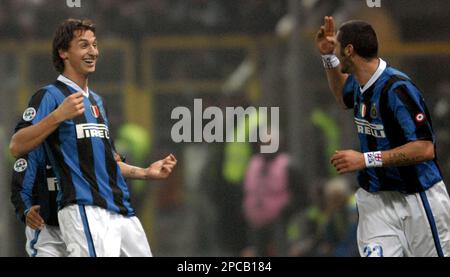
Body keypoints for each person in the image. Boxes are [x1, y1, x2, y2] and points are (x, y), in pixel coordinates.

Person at [9, 18, 177, 257]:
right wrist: (58, 116)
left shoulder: (97, 101)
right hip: (85, 208)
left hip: (120, 209)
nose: (93, 51)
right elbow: (17, 146)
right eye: (84, 45)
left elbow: (107, 161)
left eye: (95, 45)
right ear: (64, 52)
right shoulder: (49, 96)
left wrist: (145, 172)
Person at [316, 16, 450, 257]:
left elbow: (425, 148)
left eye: (336, 47)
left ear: (349, 50)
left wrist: (366, 159)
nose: (334, 50)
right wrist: (327, 58)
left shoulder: (397, 89)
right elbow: (342, 97)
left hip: (417, 199)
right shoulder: (359, 84)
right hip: (375, 201)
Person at [11, 145, 68, 257]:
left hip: (83, 224)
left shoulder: (89, 136)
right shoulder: (33, 144)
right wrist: (26, 211)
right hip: (46, 229)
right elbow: (20, 189)